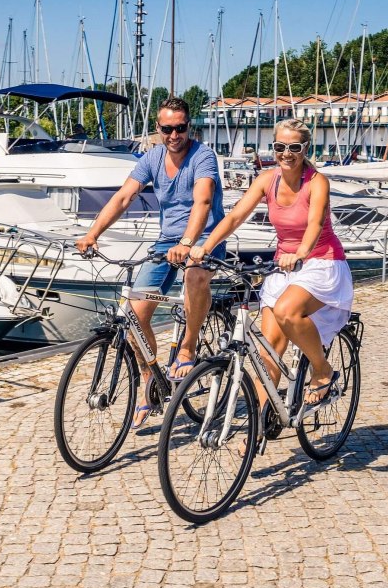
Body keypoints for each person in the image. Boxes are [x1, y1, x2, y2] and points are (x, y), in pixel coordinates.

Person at [76, 97, 226, 428]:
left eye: (180, 128)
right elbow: (124, 197)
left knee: (195, 277)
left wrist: (189, 243)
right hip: (167, 241)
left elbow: (202, 202)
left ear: (190, 126)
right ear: (158, 128)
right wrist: (92, 233)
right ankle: (150, 379)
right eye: (167, 129)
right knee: (134, 314)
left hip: (204, 238)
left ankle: (187, 347)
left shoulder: (203, 157)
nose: (174, 135)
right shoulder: (152, 157)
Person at [190, 118, 353, 409]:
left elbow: (316, 224)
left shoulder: (317, 182)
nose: (286, 153)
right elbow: (234, 218)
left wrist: (301, 253)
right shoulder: (267, 180)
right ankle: (263, 423)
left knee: (287, 311)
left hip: (321, 263)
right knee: (269, 350)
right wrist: (205, 247)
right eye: (280, 146)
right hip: (283, 267)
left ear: (305, 148)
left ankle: (322, 369)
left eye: (294, 147)